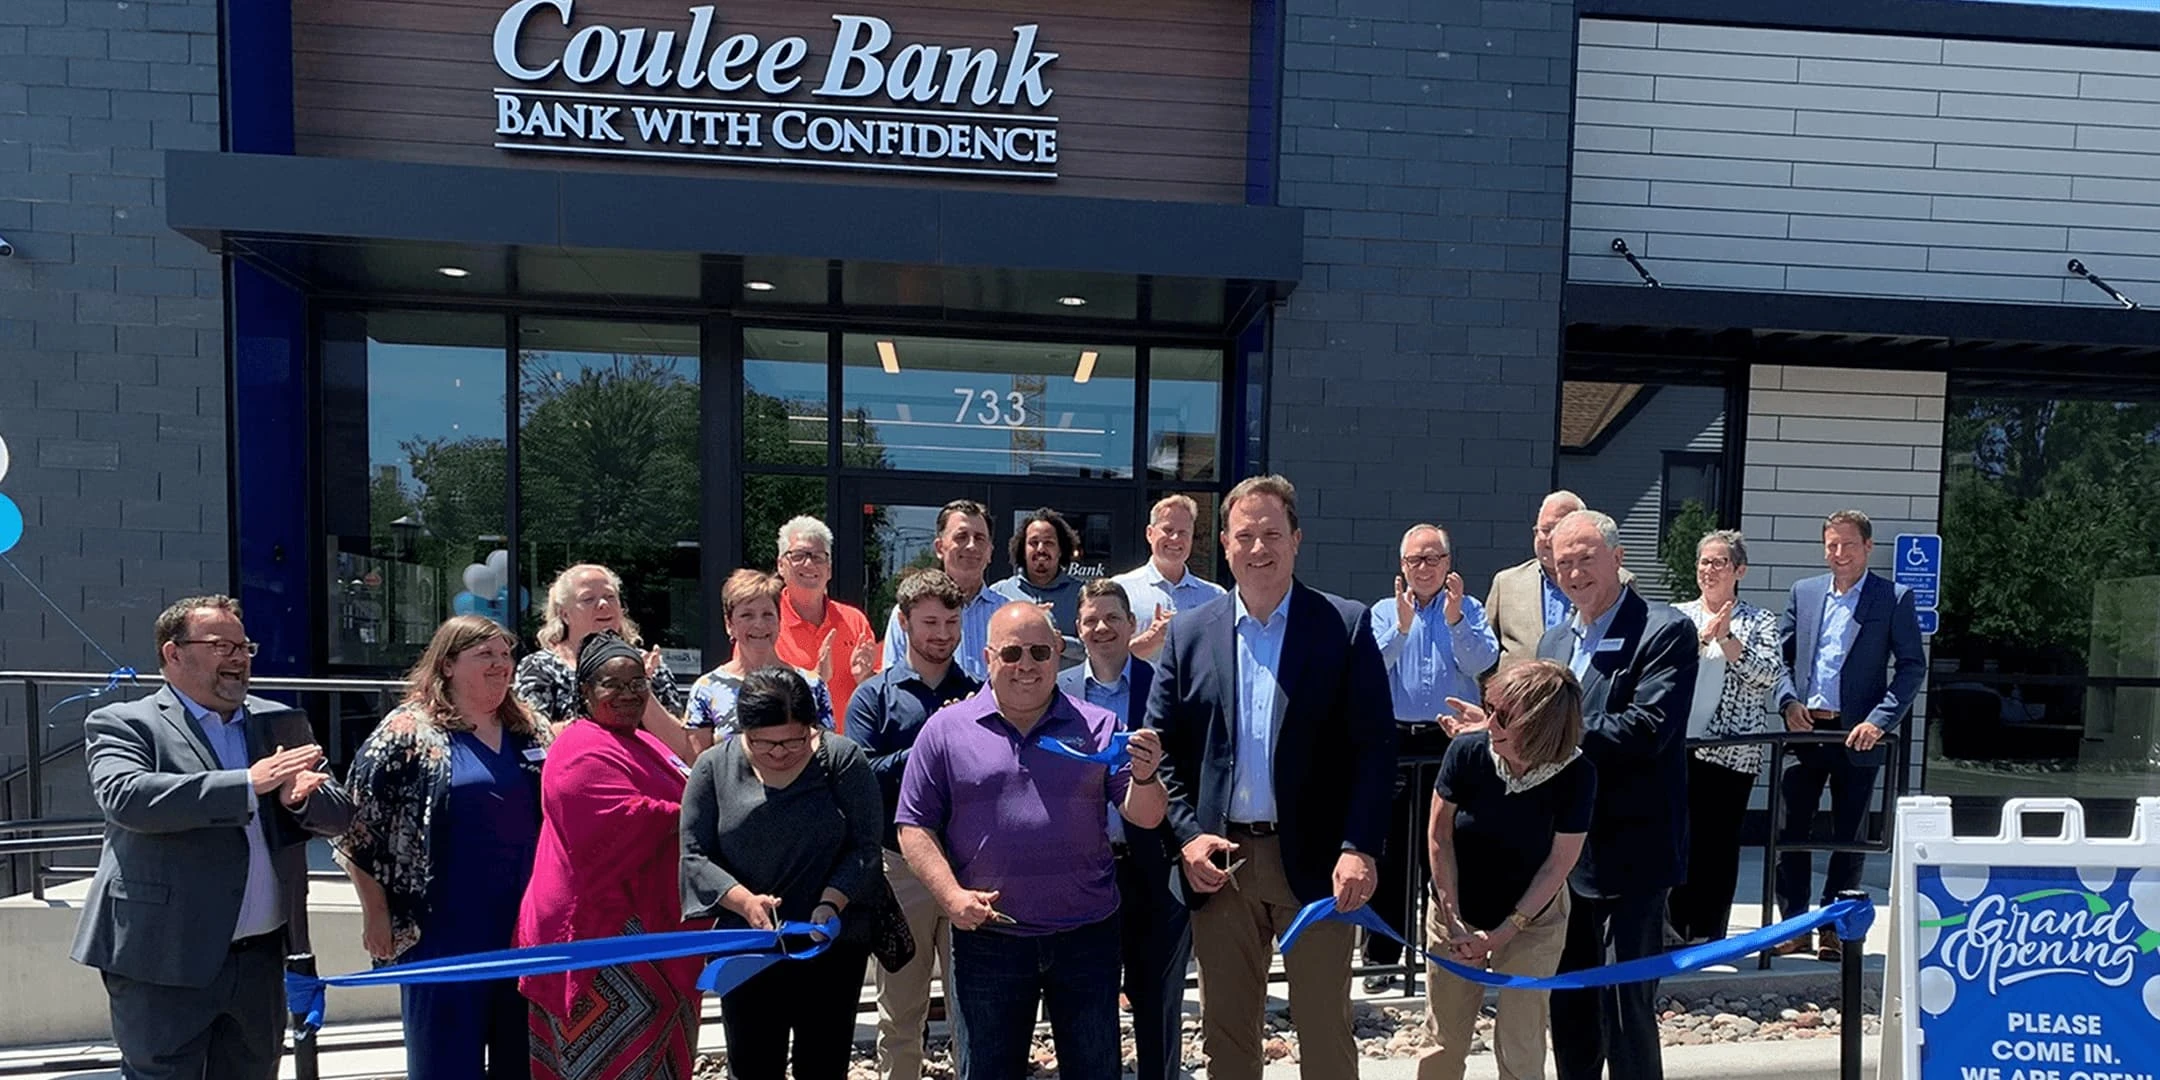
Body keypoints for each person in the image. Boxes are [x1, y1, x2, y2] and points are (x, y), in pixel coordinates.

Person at [1145, 475, 1398, 1080]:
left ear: (1297, 540)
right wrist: (1185, 837)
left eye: (1272, 534)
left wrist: (1359, 847)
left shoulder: (1344, 625)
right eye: (1245, 536)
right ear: (1225, 546)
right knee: (1227, 1038)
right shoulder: (1188, 633)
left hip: (1317, 866)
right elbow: (1163, 755)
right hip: (1220, 864)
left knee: (1325, 1032)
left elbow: (1374, 750)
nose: (1259, 548)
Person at [71, 595, 353, 1080]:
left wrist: (299, 801)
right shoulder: (126, 723)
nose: (239, 658)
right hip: (162, 957)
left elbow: (339, 812)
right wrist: (247, 784)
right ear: (173, 654)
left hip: (260, 957)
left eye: (245, 646)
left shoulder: (279, 721)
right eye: (221, 645)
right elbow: (127, 797)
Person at [895, 603, 1168, 1080]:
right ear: (987, 657)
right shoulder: (945, 730)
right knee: (987, 1070)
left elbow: (1144, 815)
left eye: (1040, 652)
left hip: (1085, 934)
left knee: (1094, 1070)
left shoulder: (1097, 725)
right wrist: (950, 896)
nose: (1026, 664)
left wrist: (1146, 777)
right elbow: (913, 825)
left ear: (1058, 655)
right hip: (990, 938)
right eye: (1013, 652)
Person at [337, 615, 550, 1080]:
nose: (501, 665)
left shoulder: (531, 728)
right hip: (443, 931)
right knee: (445, 1064)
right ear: (448, 664)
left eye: (506, 654)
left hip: (524, 927)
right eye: (485, 655)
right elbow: (357, 828)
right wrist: (375, 912)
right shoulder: (407, 733)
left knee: (523, 1061)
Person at [1531, 509, 1696, 1080]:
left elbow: (1648, 729)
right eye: (1561, 562)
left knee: (1627, 1015)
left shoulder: (1664, 629)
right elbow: (1534, 728)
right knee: (1570, 1010)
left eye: (1585, 559)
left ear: (1617, 557)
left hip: (1632, 856)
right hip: (1562, 857)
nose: (1572, 573)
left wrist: (1544, 729)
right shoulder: (1554, 638)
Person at [518, 631, 704, 1080]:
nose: (628, 695)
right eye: (612, 685)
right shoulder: (577, 747)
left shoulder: (643, 741)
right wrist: (696, 811)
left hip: (649, 925)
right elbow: (618, 821)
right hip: (599, 932)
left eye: (637, 682)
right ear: (585, 691)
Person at [682, 667, 883, 1080]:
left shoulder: (842, 759)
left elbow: (865, 847)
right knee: (752, 1062)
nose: (778, 752)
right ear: (743, 732)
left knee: (823, 1063)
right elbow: (694, 854)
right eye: (763, 743)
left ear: (812, 729)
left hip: (828, 942)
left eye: (793, 741)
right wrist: (744, 901)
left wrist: (831, 902)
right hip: (748, 945)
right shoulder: (713, 767)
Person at [1422, 660, 1595, 1080]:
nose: (1489, 721)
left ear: (1538, 726)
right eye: (1490, 708)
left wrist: (1507, 930)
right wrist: (1454, 918)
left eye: (1503, 715)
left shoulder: (1576, 775)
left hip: (1533, 918)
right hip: (1456, 910)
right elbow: (1439, 837)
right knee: (1443, 1040)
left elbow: (1559, 863)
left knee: (1522, 1042)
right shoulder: (1467, 751)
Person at [1771, 509, 1925, 960]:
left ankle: (1835, 927)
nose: (1839, 554)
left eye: (1848, 545)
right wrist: (1786, 701)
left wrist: (1880, 719)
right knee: (1790, 829)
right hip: (1805, 728)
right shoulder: (1805, 592)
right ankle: (1795, 924)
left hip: (1858, 733)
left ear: (1867, 547)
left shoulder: (1892, 598)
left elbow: (1912, 666)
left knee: (1849, 834)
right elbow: (1781, 658)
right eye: (1832, 545)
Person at [850, 569, 981, 1080]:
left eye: (951, 621)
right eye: (930, 622)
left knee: (973, 1004)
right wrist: (932, 739)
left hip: (968, 865)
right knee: (901, 1008)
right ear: (904, 623)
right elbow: (862, 775)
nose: (943, 633)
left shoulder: (977, 693)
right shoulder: (874, 697)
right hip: (900, 867)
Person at [1056, 579, 1189, 1080]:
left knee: (1156, 1000)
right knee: (1090, 1003)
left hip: (1153, 865)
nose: (1101, 627)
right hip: (1083, 869)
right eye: (1091, 619)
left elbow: (1184, 772)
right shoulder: (1058, 692)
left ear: (1132, 625)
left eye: (1112, 617)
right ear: (1077, 629)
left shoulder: (1165, 687)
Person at [1364, 523, 1499, 989]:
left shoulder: (1470, 608)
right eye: (1414, 560)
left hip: (1452, 741)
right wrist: (1401, 629)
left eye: (1433, 559)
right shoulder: (1383, 611)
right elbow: (1368, 667)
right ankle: (1384, 958)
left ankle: (1452, 952)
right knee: (1391, 849)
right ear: (1402, 566)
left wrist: (1457, 618)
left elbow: (1482, 663)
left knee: (1448, 847)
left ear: (1448, 563)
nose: (1424, 568)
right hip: (1397, 740)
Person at [1667, 531, 1786, 946]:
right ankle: (1672, 927)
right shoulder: (1678, 616)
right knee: (1676, 837)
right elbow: (1664, 674)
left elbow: (1768, 675)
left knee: (1716, 843)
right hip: (1680, 747)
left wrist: (1726, 639)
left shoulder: (1759, 620)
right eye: (1703, 561)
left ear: (1739, 571)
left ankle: (1707, 931)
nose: (1709, 570)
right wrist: (1701, 639)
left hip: (1731, 753)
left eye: (1719, 562)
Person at [516, 563, 694, 761]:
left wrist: (641, 685)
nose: (603, 604)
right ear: (564, 614)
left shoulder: (649, 664)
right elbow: (534, 740)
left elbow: (680, 749)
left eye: (610, 597)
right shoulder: (540, 667)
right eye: (588, 599)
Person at [686, 569, 836, 753]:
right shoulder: (706, 689)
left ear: (779, 621)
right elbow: (697, 763)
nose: (759, 624)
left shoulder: (812, 684)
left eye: (767, 614)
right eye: (746, 615)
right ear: (729, 624)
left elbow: (827, 755)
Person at [1487, 491, 1633, 671]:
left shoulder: (1620, 580)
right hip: (1517, 696)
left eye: (1558, 529)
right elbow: (1486, 654)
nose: (1550, 539)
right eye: (1545, 530)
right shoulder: (1507, 582)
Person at [773, 515, 881, 725]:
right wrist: (815, 680)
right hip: (786, 751)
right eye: (798, 555)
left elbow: (876, 694)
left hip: (845, 750)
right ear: (780, 565)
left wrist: (865, 678)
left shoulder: (855, 621)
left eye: (818, 557)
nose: (809, 563)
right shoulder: (766, 622)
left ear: (829, 569)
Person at [883, 500, 1008, 681]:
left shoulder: (1007, 613)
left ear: (989, 552)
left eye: (979, 538)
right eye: (961, 536)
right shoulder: (909, 612)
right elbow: (893, 685)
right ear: (940, 548)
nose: (971, 545)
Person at [1112, 494, 1225, 662]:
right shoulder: (1120, 590)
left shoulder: (1215, 597)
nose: (1175, 539)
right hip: (1141, 689)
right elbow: (1104, 658)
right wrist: (1152, 639)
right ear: (1150, 534)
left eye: (1183, 533)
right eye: (1168, 530)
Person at [992, 506, 1086, 640]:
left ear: (1061, 550)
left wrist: (1061, 644)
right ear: (1022, 550)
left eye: (1048, 542)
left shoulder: (1081, 594)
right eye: (1033, 543)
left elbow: (1093, 648)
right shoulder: (999, 593)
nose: (1041, 549)